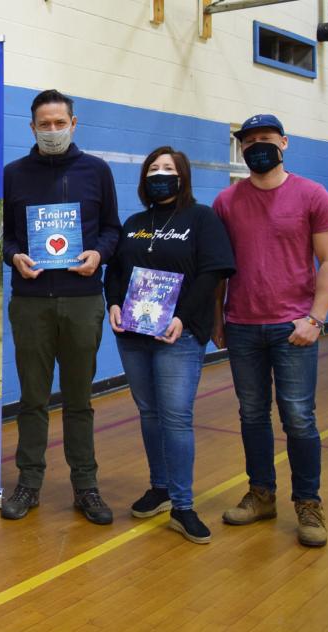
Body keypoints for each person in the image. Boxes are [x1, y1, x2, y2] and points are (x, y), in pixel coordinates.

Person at [213, 114, 328, 548]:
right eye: (248, 141)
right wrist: (218, 318)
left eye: (265, 139)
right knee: (252, 415)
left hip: (294, 328)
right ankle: (261, 493)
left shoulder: (313, 195)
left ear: (284, 143)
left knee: (299, 418)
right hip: (243, 326)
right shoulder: (226, 202)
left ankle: (308, 502)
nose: (256, 146)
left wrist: (315, 318)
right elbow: (218, 270)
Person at [1, 88, 122, 524]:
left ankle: (86, 487)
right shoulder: (13, 174)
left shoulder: (97, 171)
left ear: (74, 124)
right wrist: (13, 256)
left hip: (82, 301)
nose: (52, 131)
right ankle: (28, 484)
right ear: (31, 127)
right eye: (43, 124)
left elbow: (112, 229)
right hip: (31, 303)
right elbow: (5, 237)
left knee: (78, 400)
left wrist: (99, 255)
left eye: (59, 123)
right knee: (32, 399)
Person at [104, 146, 235, 544]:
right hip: (134, 335)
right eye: (153, 168)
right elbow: (116, 272)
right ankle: (159, 487)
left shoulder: (202, 218)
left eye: (168, 168)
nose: (160, 174)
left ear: (182, 176)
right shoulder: (134, 222)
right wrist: (111, 302)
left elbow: (213, 273)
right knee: (149, 413)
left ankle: (183, 504)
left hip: (178, 335)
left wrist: (182, 317)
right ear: (144, 178)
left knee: (176, 417)